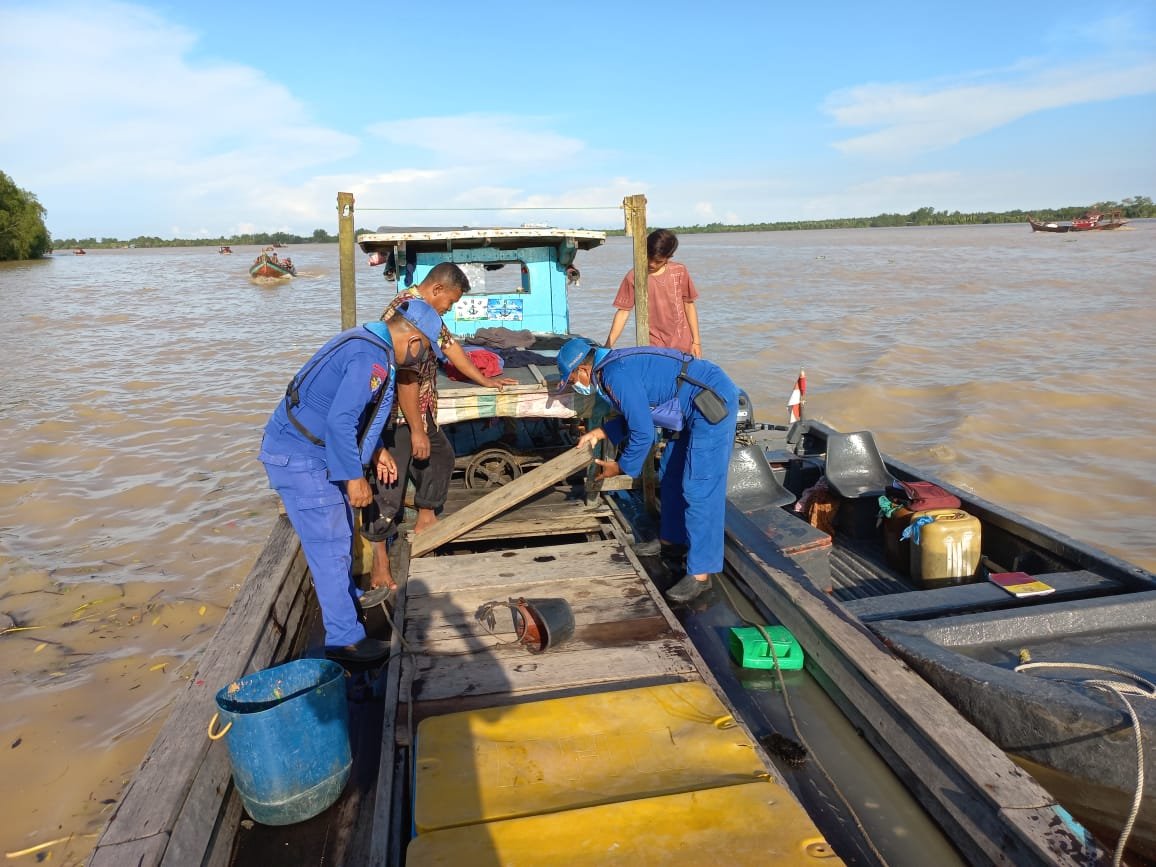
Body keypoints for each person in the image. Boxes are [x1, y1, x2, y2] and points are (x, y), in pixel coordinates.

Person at [258, 299, 445, 663]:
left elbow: (357, 415)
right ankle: (345, 641)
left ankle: (344, 600)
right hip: (301, 457)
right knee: (330, 545)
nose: (423, 359)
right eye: (425, 350)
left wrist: (376, 451)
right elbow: (341, 421)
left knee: (340, 532)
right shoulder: (369, 359)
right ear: (413, 340)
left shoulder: (370, 344)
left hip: (315, 451)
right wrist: (355, 478)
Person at [360, 263, 518, 593]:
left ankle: (426, 515)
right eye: (451, 301)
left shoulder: (428, 313)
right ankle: (379, 559)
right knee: (389, 482)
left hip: (422, 406)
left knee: (441, 455)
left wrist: (484, 379)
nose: (450, 308)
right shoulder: (405, 311)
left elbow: (450, 347)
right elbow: (405, 377)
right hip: (398, 413)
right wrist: (417, 430)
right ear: (436, 290)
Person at [557, 337, 738, 603]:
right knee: (670, 475)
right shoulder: (609, 370)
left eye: (572, 380)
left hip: (711, 402)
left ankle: (701, 574)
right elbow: (639, 412)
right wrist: (600, 432)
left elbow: (642, 432)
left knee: (700, 488)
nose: (575, 385)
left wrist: (620, 467)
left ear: (583, 369)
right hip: (687, 406)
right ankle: (671, 542)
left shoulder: (615, 375)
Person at [605, 229, 702, 357]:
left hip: (682, 344)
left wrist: (696, 342)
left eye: (658, 261)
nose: (652, 264)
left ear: (669, 257)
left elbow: (689, 304)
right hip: (652, 346)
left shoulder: (679, 271)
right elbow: (623, 312)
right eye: (649, 257)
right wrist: (607, 346)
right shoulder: (634, 276)